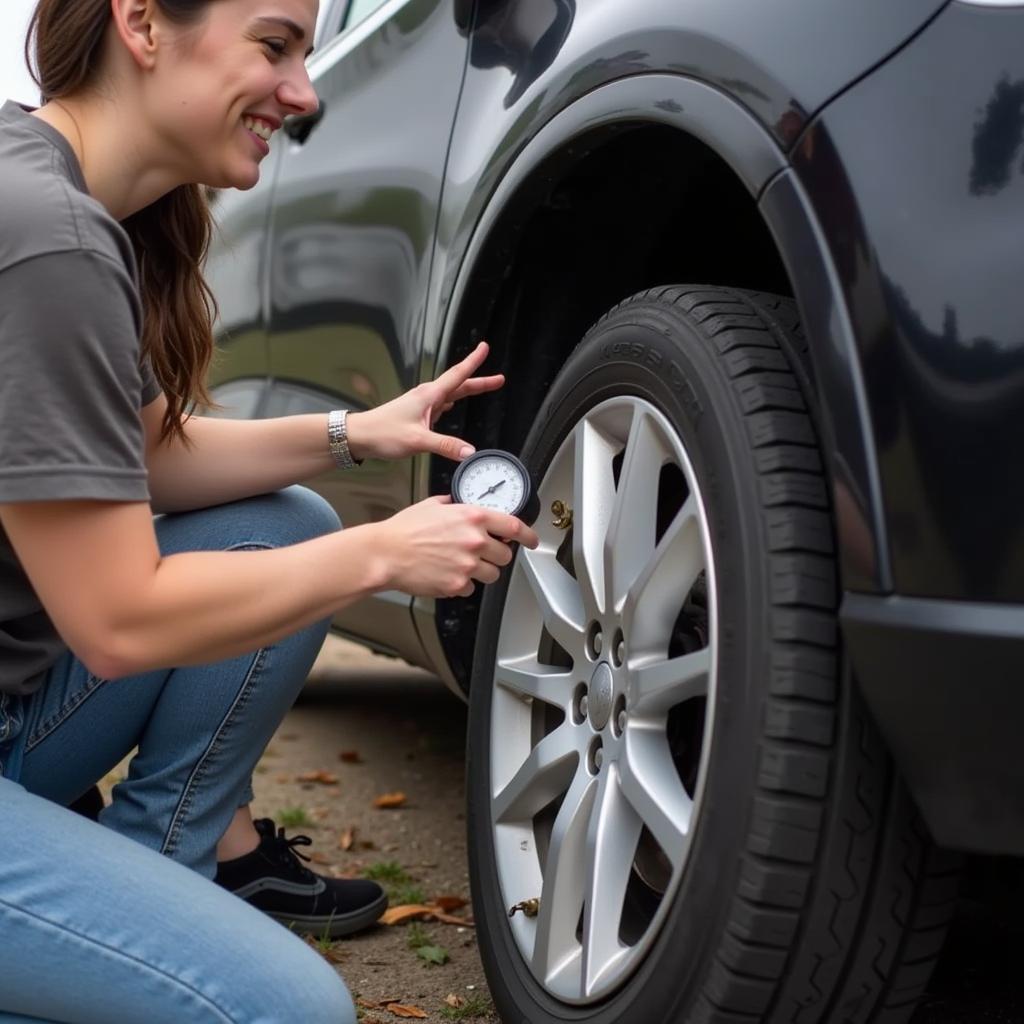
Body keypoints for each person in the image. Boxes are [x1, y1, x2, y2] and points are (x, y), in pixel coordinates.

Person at [0, 0, 539, 1020]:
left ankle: (156, 879)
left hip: (14, 714)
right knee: (289, 1009)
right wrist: (382, 555)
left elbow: (151, 460)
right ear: (143, 24)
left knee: (285, 521)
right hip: (46, 690)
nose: (306, 90)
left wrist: (354, 432)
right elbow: (119, 623)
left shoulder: (50, 192)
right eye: (275, 45)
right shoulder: (48, 243)